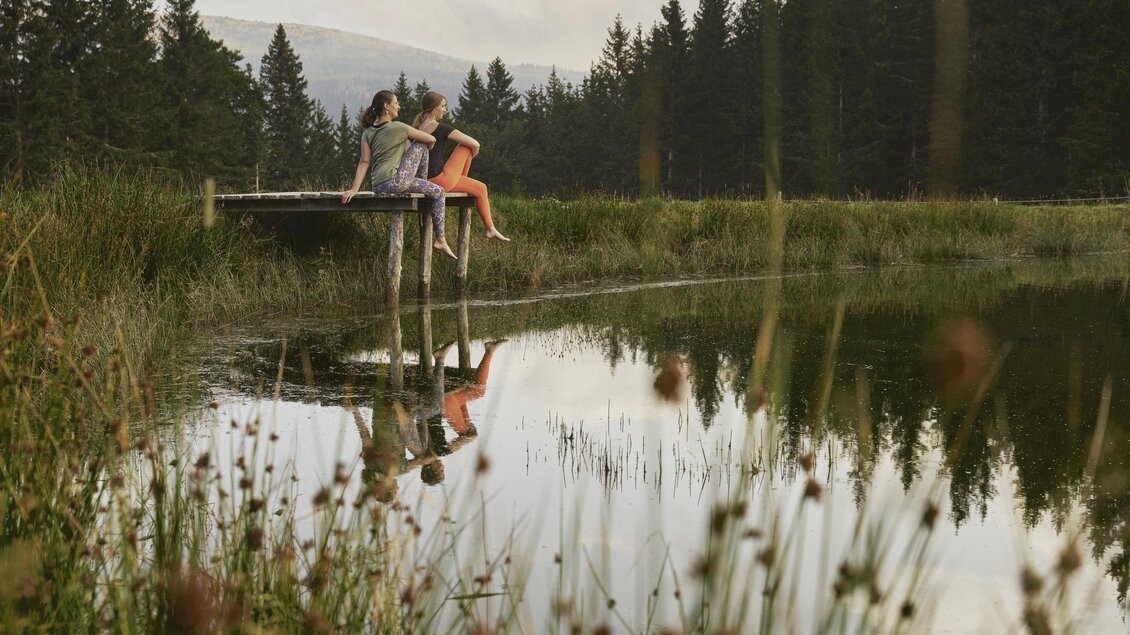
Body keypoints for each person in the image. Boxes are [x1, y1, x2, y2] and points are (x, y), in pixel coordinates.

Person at [343, 90, 457, 259]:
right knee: (438, 188)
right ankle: (440, 239)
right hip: (396, 182)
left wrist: (354, 189)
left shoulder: (367, 132)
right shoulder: (399, 127)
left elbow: (364, 162)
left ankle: (421, 184)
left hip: (378, 185)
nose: (399, 106)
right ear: (386, 107)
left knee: (420, 146)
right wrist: (426, 147)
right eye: (396, 102)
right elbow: (431, 139)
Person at [413, 92, 510, 242]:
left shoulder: (417, 127)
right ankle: (490, 228)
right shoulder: (441, 128)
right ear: (433, 109)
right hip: (440, 181)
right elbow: (475, 144)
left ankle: (491, 228)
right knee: (466, 148)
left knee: (480, 187)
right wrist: (472, 153)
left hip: (423, 181)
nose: (445, 110)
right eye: (443, 106)